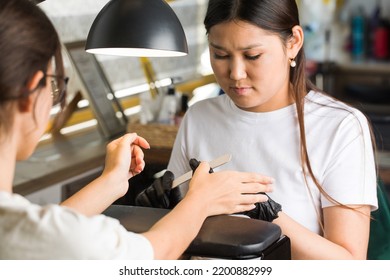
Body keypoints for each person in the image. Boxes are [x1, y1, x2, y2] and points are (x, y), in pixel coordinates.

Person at [0, 0, 274, 260]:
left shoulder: (18, 230)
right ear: (30, 92)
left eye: (252, 55)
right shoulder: (59, 238)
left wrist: (111, 183)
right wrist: (200, 201)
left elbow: (43, 234)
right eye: (54, 85)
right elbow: (149, 257)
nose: (237, 73)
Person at [167, 0, 378, 259]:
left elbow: (350, 267)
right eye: (220, 54)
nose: (235, 73)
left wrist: (268, 214)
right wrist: (159, 211)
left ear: (293, 43)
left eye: (252, 56)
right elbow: (174, 243)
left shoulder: (340, 126)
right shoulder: (199, 117)